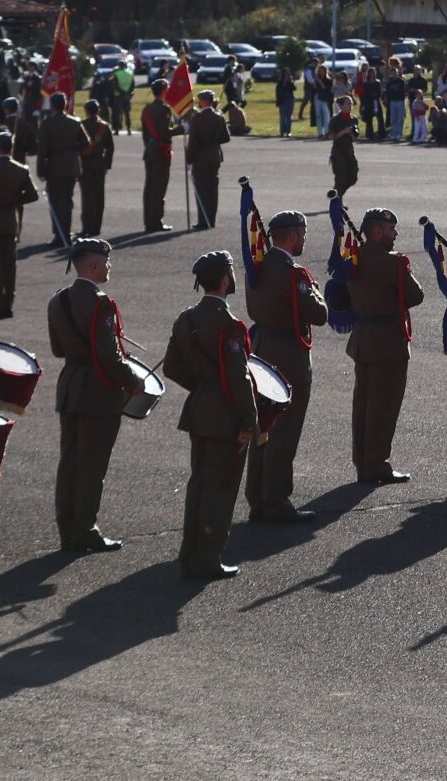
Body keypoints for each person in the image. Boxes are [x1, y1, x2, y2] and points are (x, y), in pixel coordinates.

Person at [163, 251, 261, 581]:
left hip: (199, 410)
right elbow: (238, 377)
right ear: (224, 279)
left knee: (199, 484)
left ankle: (190, 553)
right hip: (225, 416)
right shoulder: (229, 325)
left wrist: (203, 387)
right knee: (220, 488)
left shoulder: (186, 319)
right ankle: (208, 557)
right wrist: (250, 419)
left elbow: (173, 366)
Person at [47, 237, 145, 552]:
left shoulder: (58, 300)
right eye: (106, 260)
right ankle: (85, 529)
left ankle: (67, 529)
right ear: (93, 265)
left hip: (70, 384)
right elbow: (108, 355)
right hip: (97, 389)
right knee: (92, 464)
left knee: (70, 461)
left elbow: (57, 348)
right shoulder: (101, 303)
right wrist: (133, 379)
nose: (109, 266)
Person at [245, 211, 328, 523]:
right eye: (303, 235)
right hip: (289, 357)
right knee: (284, 431)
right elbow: (319, 314)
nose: (304, 240)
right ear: (292, 236)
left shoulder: (258, 266)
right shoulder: (292, 273)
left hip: (262, 350)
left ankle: (258, 498)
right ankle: (276, 501)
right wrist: (316, 289)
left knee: (263, 429)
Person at [347, 207, 424, 484]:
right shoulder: (393, 264)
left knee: (363, 404)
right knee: (383, 406)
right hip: (388, 342)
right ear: (377, 231)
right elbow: (416, 295)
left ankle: (362, 461)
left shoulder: (353, 258)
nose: (396, 234)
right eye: (391, 229)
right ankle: (376, 463)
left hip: (363, 338)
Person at [0, 131, 38, 319]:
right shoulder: (20, 169)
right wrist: (14, 200)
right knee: (10, 265)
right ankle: (8, 304)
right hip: (11, 221)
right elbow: (32, 195)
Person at [37, 91, 87, 246]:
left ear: (52, 105)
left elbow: (42, 150)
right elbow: (86, 143)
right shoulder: (75, 122)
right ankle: (66, 231)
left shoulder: (47, 123)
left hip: (55, 165)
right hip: (71, 165)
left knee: (56, 201)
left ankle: (59, 234)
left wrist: (40, 170)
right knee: (67, 200)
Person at [185, 90, 232, 230]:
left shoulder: (197, 118)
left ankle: (203, 220)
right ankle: (211, 219)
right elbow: (226, 137)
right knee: (212, 190)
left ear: (203, 101)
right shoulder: (219, 117)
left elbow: (193, 141)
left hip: (201, 158)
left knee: (202, 190)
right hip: (214, 157)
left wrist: (189, 159)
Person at [139, 80, 181, 234]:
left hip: (150, 150)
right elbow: (165, 132)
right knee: (158, 187)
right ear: (163, 90)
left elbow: (145, 133)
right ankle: (156, 221)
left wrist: (150, 146)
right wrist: (182, 129)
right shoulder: (164, 109)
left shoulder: (147, 109)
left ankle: (148, 221)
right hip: (160, 151)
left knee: (149, 187)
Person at [78, 98, 113, 237]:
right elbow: (110, 148)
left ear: (86, 111)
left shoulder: (82, 125)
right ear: (98, 110)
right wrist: (107, 164)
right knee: (99, 197)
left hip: (85, 163)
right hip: (99, 163)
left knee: (86, 196)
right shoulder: (104, 126)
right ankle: (96, 227)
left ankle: (86, 227)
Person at [329, 95, 360, 196]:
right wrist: (343, 132)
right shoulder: (335, 120)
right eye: (348, 104)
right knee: (341, 178)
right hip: (338, 152)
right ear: (341, 106)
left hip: (349, 152)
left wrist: (352, 133)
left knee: (353, 177)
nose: (351, 105)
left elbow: (355, 138)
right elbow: (331, 136)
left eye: (351, 103)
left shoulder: (353, 119)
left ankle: (336, 194)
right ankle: (337, 200)